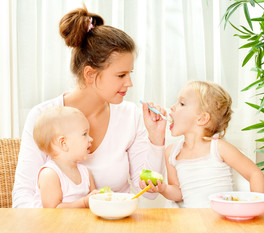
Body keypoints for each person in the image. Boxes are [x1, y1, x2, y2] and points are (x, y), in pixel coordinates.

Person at [12, 6, 166, 208]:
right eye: (121, 75)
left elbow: (150, 193)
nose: (129, 83)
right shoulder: (43, 116)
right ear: (90, 74)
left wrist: (156, 140)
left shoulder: (130, 115)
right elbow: (22, 198)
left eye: (130, 73)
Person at [140, 81, 264, 208]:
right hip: (194, 222)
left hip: (222, 221)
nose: (172, 107)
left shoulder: (218, 148)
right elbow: (179, 193)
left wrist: (257, 209)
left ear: (202, 118)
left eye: (182, 103)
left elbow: (254, 174)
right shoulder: (172, 153)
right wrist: (164, 189)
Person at [32, 106, 98, 208]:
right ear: (63, 143)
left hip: (81, 223)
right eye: (85, 134)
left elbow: (95, 201)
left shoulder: (85, 173)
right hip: (53, 224)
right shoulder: (50, 174)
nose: (91, 139)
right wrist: (84, 202)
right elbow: (53, 211)